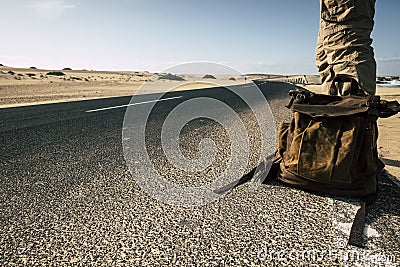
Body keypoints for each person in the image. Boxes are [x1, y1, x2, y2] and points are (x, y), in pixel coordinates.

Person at [316, 0, 376, 96]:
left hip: (344, 9)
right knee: (325, 64)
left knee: (346, 60)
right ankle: (334, 109)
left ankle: (356, 108)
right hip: (327, 16)